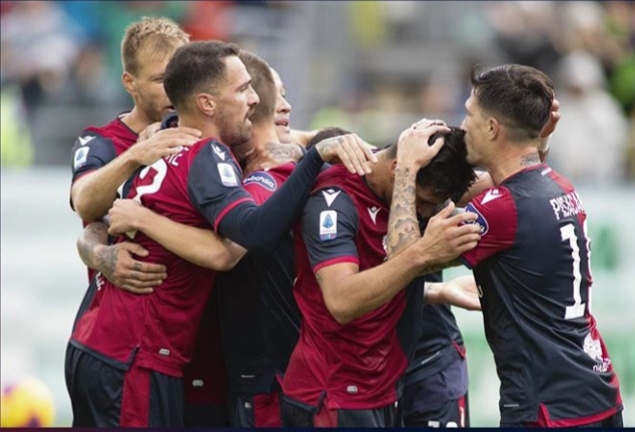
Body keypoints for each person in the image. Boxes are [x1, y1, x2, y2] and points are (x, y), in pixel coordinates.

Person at [65, 40, 376, 427]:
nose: (254, 101)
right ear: (207, 103)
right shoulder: (205, 154)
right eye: (244, 90)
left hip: (118, 346)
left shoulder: (165, 145)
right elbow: (240, 241)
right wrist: (313, 159)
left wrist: (305, 147)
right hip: (135, 354)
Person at [392, 64, 623, 427]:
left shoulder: (500, 209)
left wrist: (405, 167)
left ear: (492, 128)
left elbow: (403, 261)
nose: (462, 125)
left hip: (548, 407)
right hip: (597, 394)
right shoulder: (556, 184)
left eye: (469, 114)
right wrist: (441, 292)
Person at [281, 123, 483, 427]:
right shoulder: (334, 200)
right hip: (333, 393)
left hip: (380, 389)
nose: (424, 215)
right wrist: (425, 252)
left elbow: (502, 179)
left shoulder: (414, 187)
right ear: (397, 170)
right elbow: (341, 301)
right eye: (424, 203)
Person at [69, 16, 196, 285]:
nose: (175, 91)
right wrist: (136, 155)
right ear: (130, 82)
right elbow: (84, 204)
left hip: (195, 317)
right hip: (124, 314)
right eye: (161, 80)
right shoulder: (101, 141)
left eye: (182, 78)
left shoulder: (204, 134)